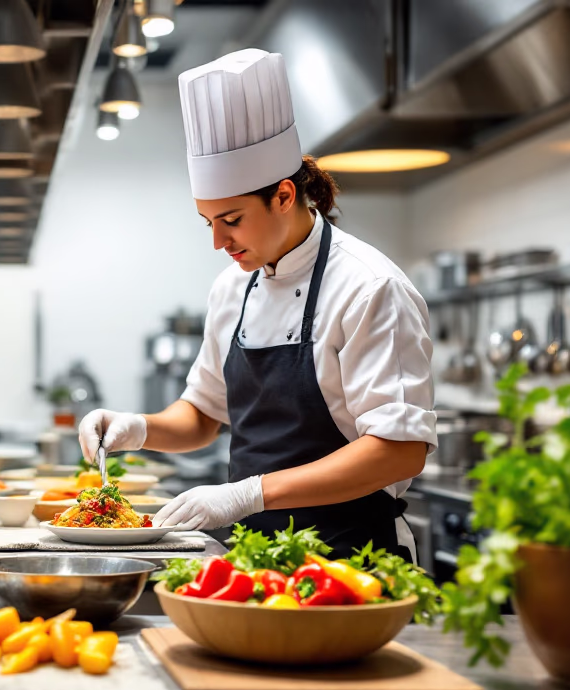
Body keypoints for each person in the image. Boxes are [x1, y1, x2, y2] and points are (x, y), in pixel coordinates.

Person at [80, 49, 436, 559]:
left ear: (285, 196)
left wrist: (250, 493)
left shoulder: (370, 288)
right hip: (252, 560)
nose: (219, 242)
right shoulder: (233, 287)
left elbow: (399, 451)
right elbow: (202, 415)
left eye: (232, 220)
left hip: (352, 560)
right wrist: (137, 427)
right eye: (209, 223)